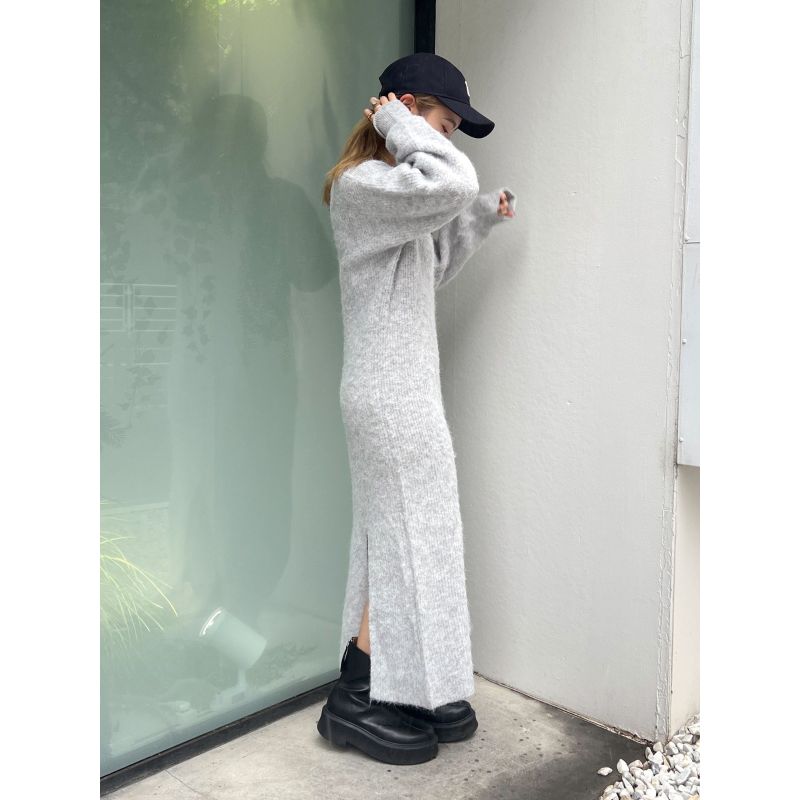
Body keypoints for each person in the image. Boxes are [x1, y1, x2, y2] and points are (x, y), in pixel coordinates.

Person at [317, 53, 517, 765]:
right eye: (445, 121)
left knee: (405, 536)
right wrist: (400, 127)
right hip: (387, 392)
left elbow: (428, 269)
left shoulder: (397, 190)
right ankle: (357, 694)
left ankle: (395, 684)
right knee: (408, 536)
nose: (449, 137)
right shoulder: (362, 186)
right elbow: (453, 180)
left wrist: (481, 220)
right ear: (404, 108)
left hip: (401, 389)